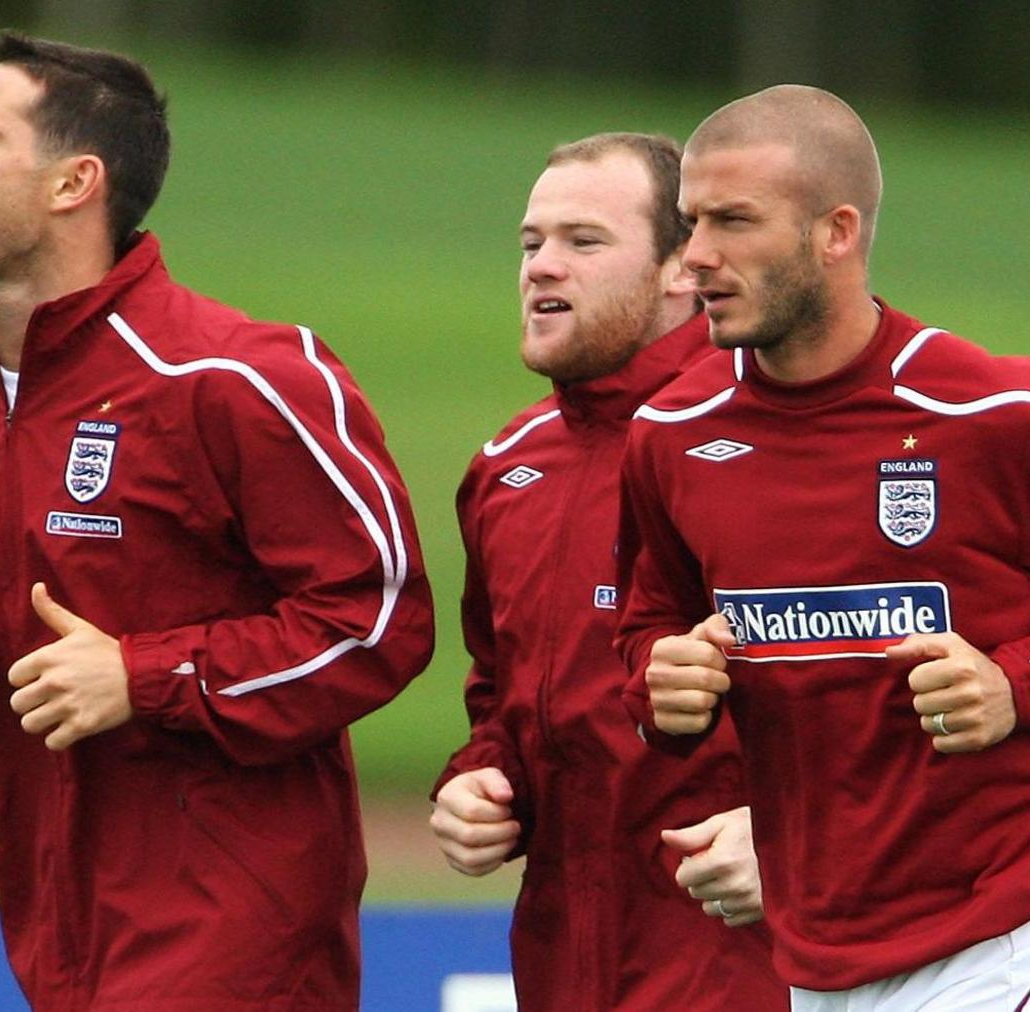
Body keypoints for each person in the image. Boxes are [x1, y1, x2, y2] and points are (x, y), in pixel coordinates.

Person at [0, 32, 433, 1010]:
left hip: (235, 943)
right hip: (54, 934)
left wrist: (145, 676)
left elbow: (378, 621)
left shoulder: (235, 376)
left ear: (74, 182)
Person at [613, 84, 1030, 1010]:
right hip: (816, 953)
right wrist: (661, 678)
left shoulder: (1001, 414)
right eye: (692, 222)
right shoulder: (673, 433)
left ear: (836, 232)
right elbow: (650, 622)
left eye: (733, 221)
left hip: (1006, 942)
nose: (696, 255)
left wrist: (1018, 687)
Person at [428, 132, 784, 1010]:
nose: (542, 267)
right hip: (562, 969)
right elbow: (504, 689)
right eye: (531, 242)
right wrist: (480, 779)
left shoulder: (776, 442)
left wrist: (789, 842)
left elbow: (884, 694)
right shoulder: (509, 466)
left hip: (743, 970)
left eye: (583, 241)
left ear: (683, 270)